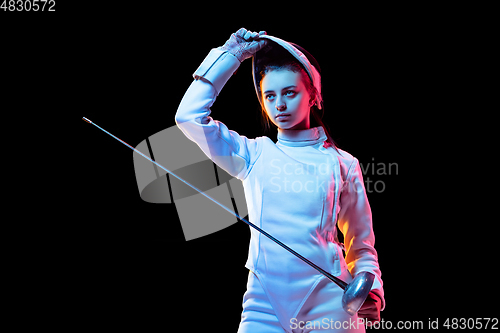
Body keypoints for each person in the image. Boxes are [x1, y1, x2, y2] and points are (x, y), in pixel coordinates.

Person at [175, 28, 384, 333]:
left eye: (290, 92)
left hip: (329, 300)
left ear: (313, 95)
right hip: (264, 299)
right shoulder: (252, 154)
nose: (280, 105)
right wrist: (230, 55)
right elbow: (189, 118)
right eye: (269, 96)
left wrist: (370, 289)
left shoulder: (343, 163)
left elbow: (361, 245)